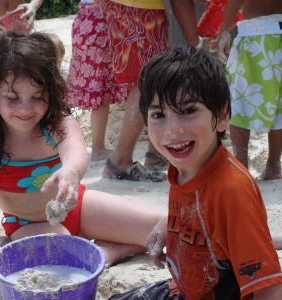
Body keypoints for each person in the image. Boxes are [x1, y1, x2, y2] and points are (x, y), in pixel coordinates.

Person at [0, 32, 166, 299]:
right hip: (26, 223)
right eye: (12, 96)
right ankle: (107, 250)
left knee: (162, 227)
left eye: (37, 96)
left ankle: (111, 250)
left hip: (78, 205)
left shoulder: (58, 123)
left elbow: (76, 152)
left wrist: (70, 170)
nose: (25, 108)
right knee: (62, 250)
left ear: (51, 91)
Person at [109, 47, 282, 299]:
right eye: (158, 114)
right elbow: (200, 213)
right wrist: (169, 225)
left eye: (189, 111)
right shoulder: (185, 165)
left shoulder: (231, 189)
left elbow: (268, 286)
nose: (172, 129)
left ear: (222, 116)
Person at [97, 0, 205, 181]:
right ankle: (119, 161)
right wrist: (195, 43)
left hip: (122, 7)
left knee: (150, 74)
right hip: (140, 8)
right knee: (149, 78)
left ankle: (156, 155)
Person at [216, 0, 282, 180]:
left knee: (239, 101)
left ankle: (241, 164)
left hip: (257, 33)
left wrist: (224, 31)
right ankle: (273, 165)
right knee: (278, 103)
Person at [67, 0, 133, 162]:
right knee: (100, 86)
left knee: (96, 85)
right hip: (100, 23)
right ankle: (98, 148)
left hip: (84, 20)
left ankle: (94, 146)